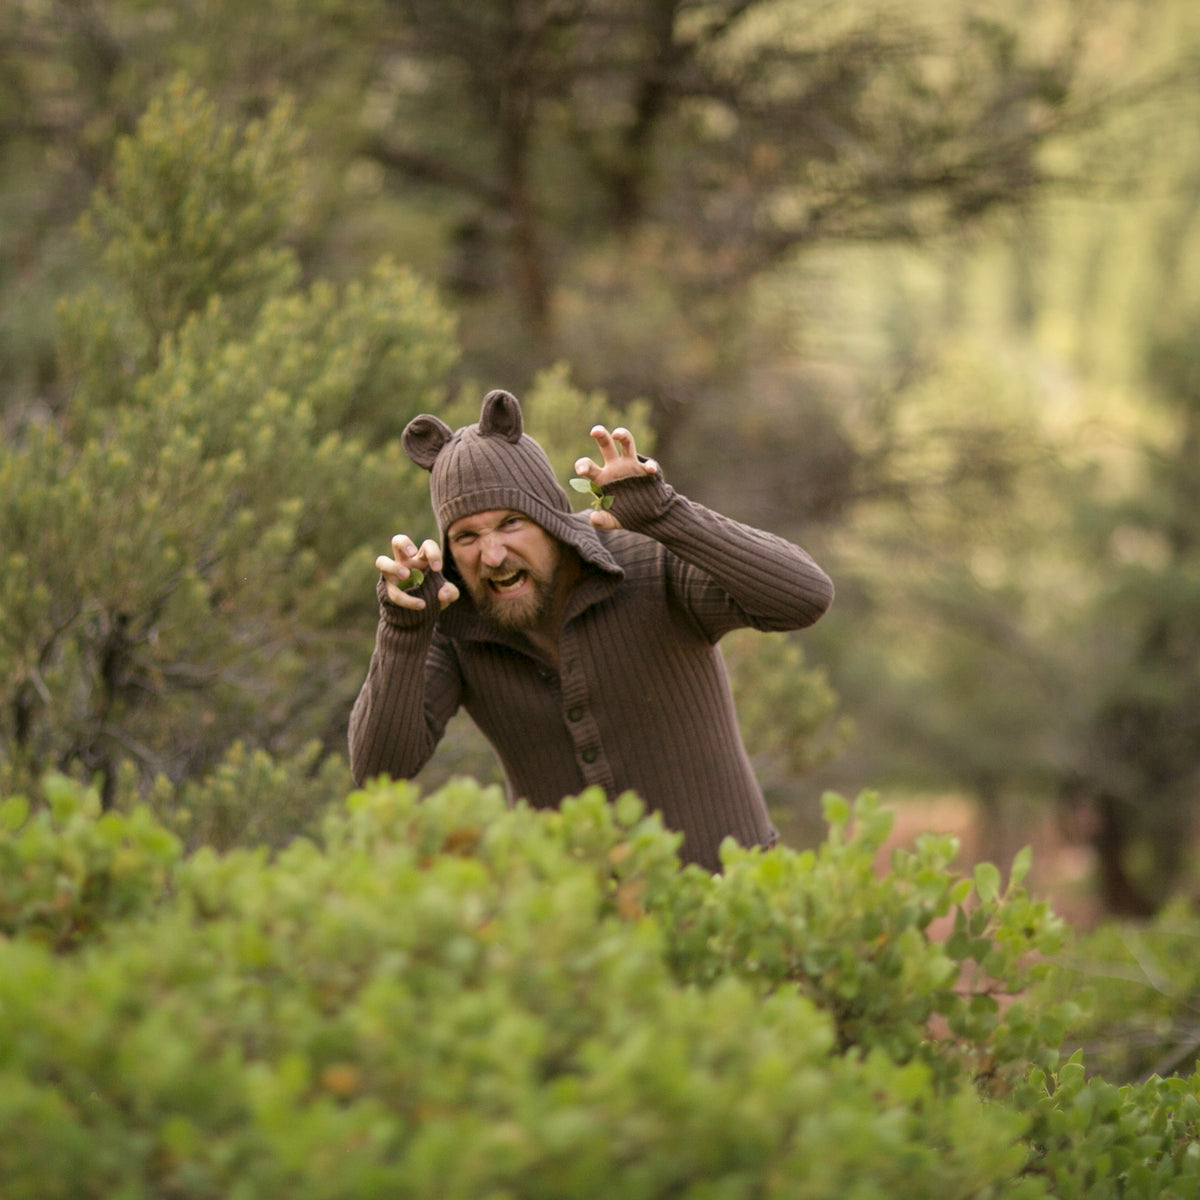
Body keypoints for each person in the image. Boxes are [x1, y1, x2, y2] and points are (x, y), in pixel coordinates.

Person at [348, 388, 834, 872]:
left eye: (512, 522)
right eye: (467, 537)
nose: (492, 556)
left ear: (552, 521)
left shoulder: (648, 563)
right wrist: (404, 627)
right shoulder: (452, 623)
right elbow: (380, 773)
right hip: (580, 934)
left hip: (730, 907)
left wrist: (666, 515)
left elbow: (804, 597)